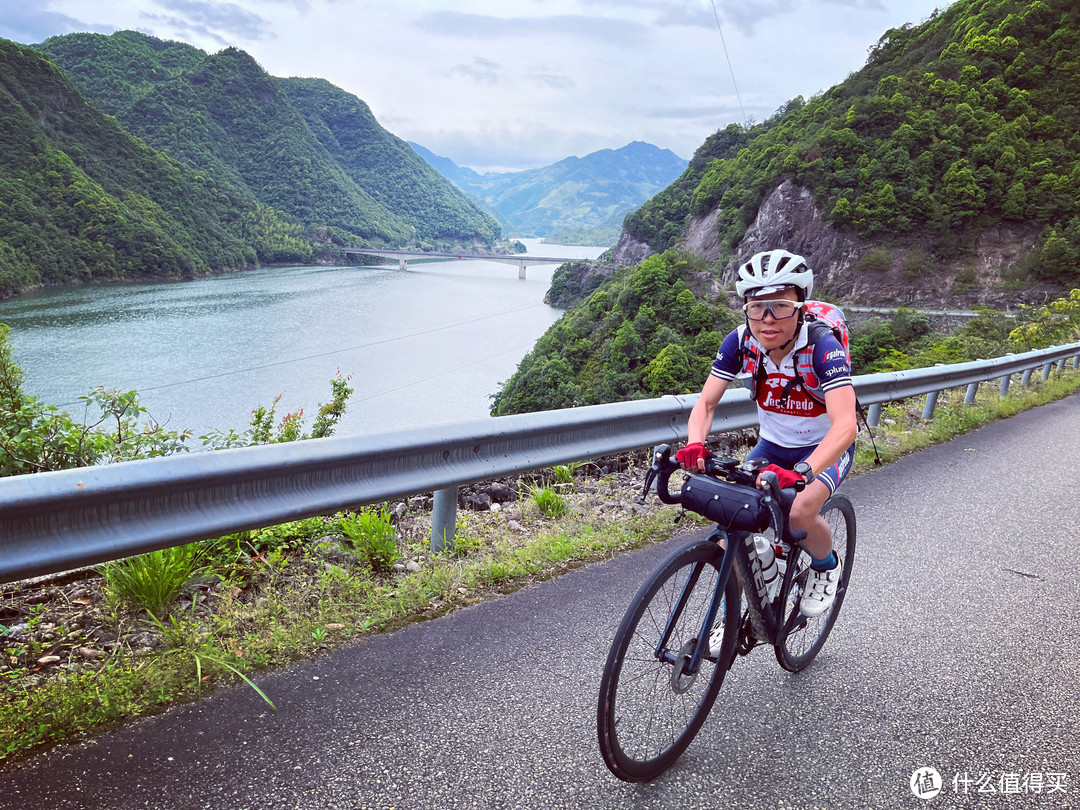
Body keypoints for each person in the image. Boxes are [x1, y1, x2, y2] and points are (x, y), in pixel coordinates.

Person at [675, 249, 857, 618]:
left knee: (801, 511)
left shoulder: (822, 347)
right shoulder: (741, 342)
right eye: (757, 307)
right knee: (735, 526)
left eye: (780, 306)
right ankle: (731, 617)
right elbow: (706, 404)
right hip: (773, 446)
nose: (767, 319)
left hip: (822, 449)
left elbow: (846, 425)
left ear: (800, 306)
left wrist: (805, 471)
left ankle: (825, 566)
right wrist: (695, 442)